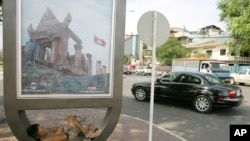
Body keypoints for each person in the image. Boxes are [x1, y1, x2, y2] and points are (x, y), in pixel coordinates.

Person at [26, 115, 102, 141]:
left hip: (69, 134)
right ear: (37, 136)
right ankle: (87, 136)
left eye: (41, 126)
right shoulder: (46, 140)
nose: (43, 128)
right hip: (71, 139)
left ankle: (88, 135)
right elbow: (64, 136)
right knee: (71, 118)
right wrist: (58, 133)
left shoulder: (47, 130)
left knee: (91, 125)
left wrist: (57, 133)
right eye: (41, 129)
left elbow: (60, 128)